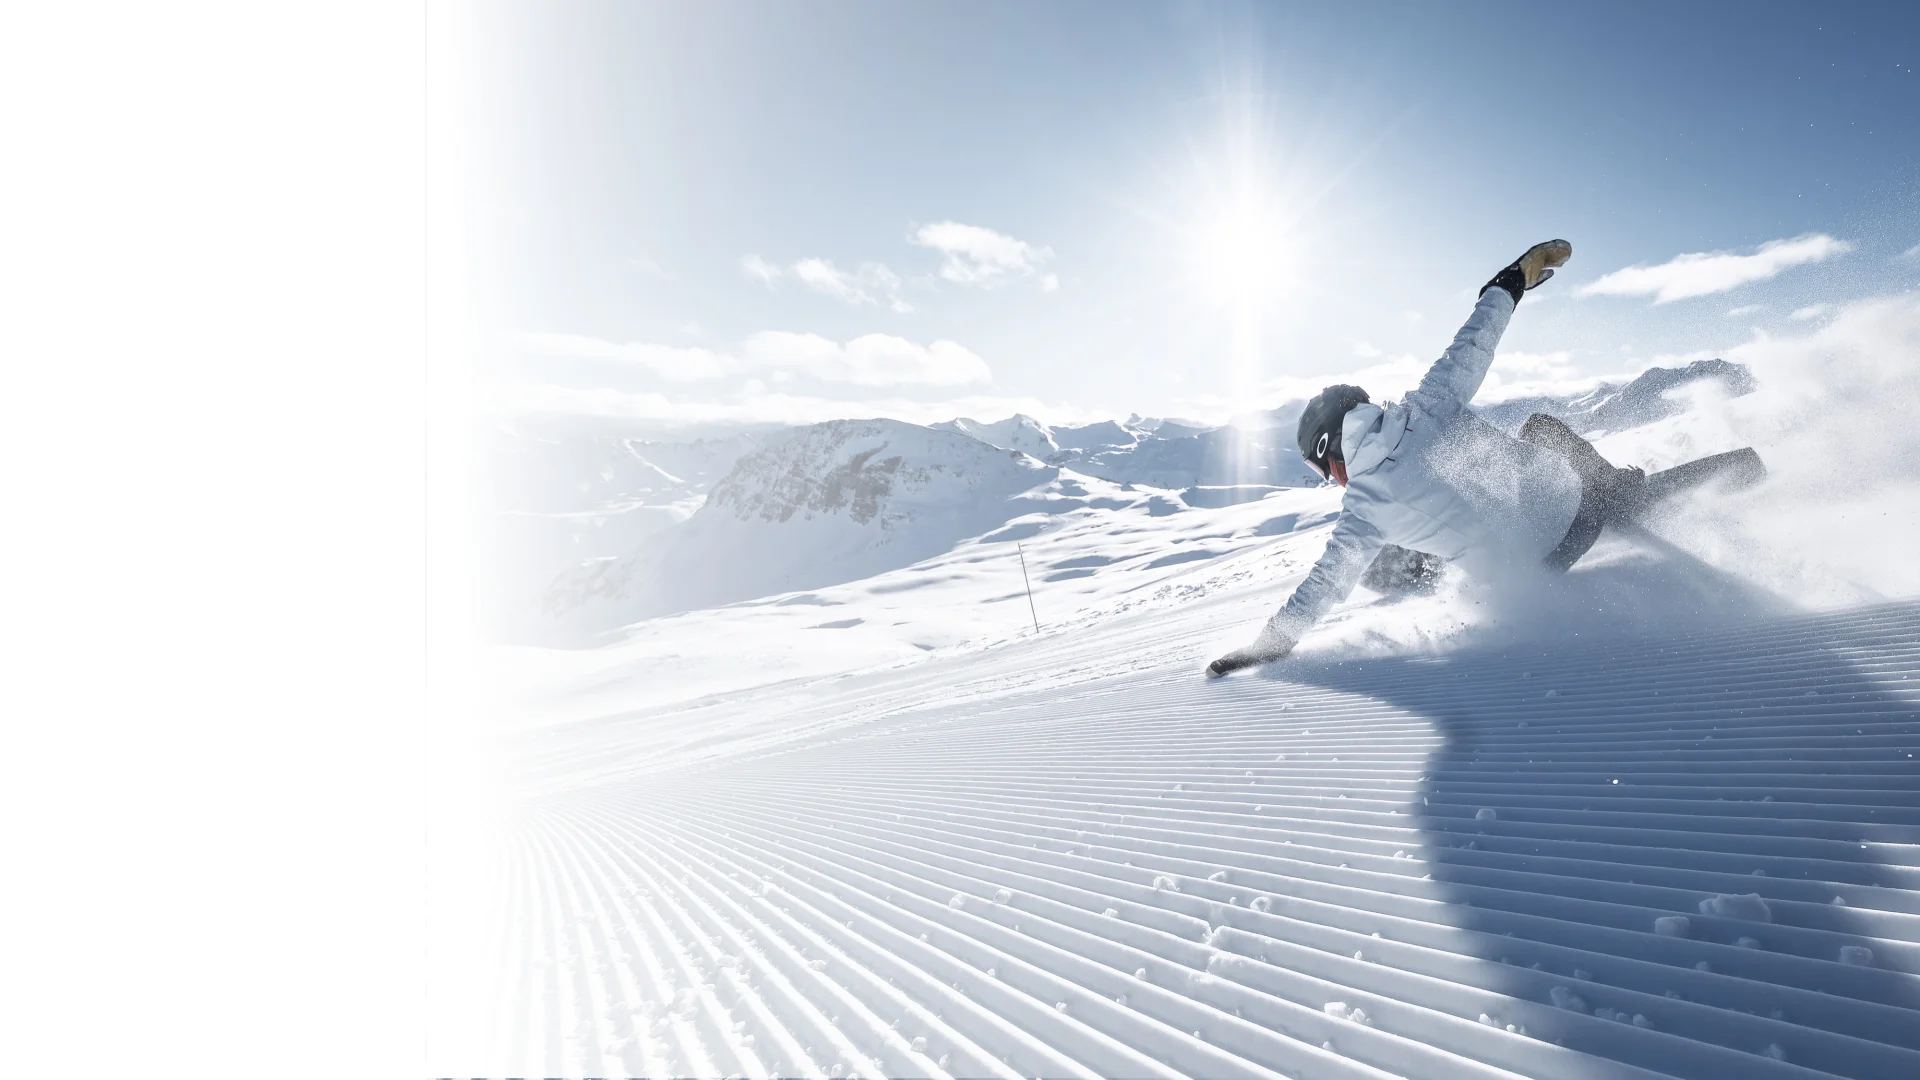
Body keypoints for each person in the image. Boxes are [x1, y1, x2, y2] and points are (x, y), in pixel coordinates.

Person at [1208, 239, 1650, 678]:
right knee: (1539, 427)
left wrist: (1270, 643)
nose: (1330, 480)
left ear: (1331, 446)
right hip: (1576, 508)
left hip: (1539, 566)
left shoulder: (1363, 510)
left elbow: (1322, 586)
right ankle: (1614, 487)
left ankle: (1611, 494)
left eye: (1321, 469)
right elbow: (1475, 342)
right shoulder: (1430, 402)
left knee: (1418, 546)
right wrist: (1508, 284)